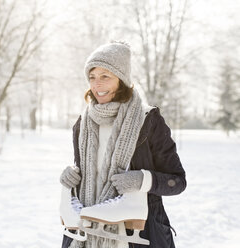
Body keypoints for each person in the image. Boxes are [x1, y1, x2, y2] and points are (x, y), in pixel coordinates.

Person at [59, 41, 187, 248]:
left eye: (105, 77)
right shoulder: (82, 124)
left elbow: (178, 181)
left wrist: (143, 179)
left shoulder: (148, 120)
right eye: (92, 77)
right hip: (85, 233)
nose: (97, 85)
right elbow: (86, 171)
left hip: (137, 236)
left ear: (122, 80)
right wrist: (71, 177)